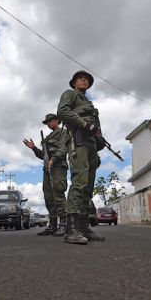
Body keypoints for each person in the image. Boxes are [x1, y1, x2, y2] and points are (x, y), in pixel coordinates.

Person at [57, 70, 105, 245]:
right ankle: (71, 229)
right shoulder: (70, 94)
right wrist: (85, 124)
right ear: (74, 82)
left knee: (88, 186)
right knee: (79, 182)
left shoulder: (89, 104)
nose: (84, 80)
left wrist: (99, 140)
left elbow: (97, 129)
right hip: (78, 140)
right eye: (80, 78)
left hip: (91, 145)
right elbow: (62, 111)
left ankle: (83, 227)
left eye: (86, 79)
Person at [23, 113, 70, 236]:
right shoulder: (48, 138)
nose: (48, 124)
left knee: (58, 193)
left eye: (50, 121)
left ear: (57, 121)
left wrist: (53, 160)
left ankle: (63, 224)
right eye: (47, 122)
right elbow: (43, 156)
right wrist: (34, 148)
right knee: (49, 196)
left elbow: (63, 149)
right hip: (47, 168)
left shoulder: (63, 132)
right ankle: (53, 224)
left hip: (58, 167)